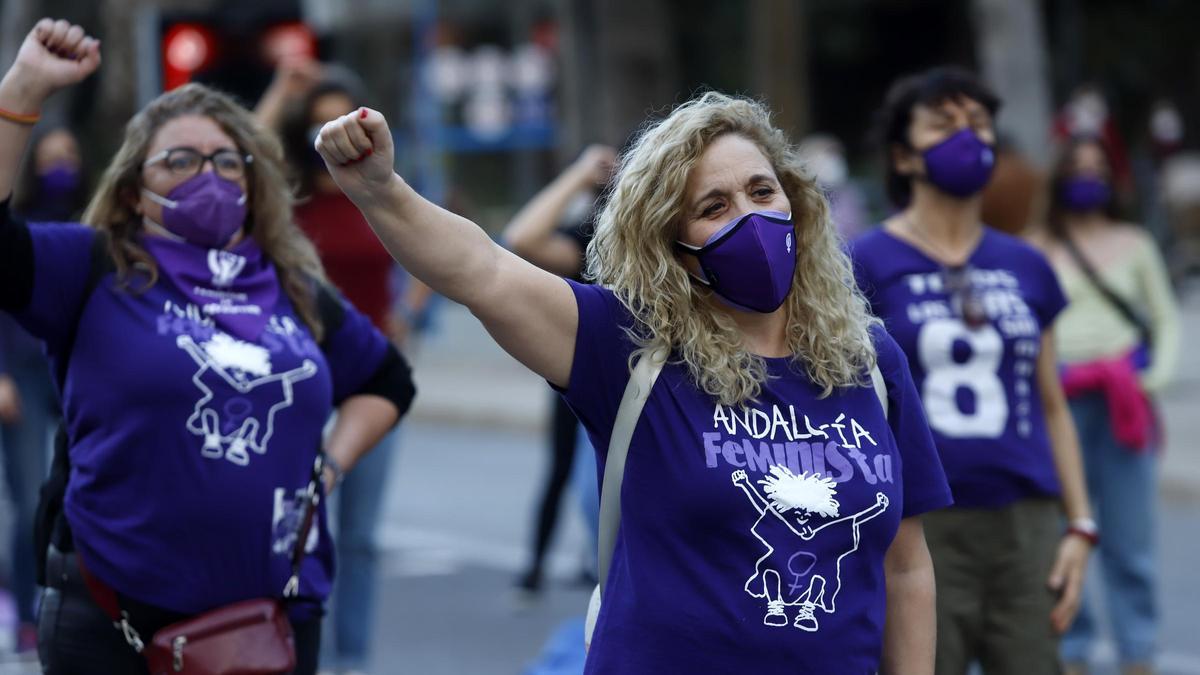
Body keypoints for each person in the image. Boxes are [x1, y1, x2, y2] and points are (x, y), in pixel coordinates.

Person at [316, 89, 954, 673]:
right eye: (714, 207)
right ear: (674, 246)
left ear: (796, 202)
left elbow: (905, 567)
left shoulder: (867, 359)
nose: (752, 220)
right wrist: (380, 190)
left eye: (763, 192)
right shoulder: (626, 346)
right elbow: (482, 270)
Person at [0, 19, 414, 674]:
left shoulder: (292, 286)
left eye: (228, 161)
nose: (210, 175)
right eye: (182, 160)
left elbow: (387, 379)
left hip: (273, 621)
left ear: (253, 186)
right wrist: (20, 95)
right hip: (116, 622)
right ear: (136, 189)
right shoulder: (94, 266)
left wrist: (329, 467)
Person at [850, 66, 1094, 675]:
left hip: (1025, 521)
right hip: (921, 525)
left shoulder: (1027, 265)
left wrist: (1080, 525)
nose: (968, 137)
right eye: (945, 124)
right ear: (904, 157)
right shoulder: (863, 264)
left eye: (979, 124)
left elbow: (1053, 404)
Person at [259, 59, 415, 675]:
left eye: (344, 120)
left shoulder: (381, 189)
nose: (334, 133)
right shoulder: (286, 194)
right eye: (319, 122)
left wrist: (408, 309)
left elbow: (435, 245)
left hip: (367, 373)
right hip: (291, 373)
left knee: (361, 536)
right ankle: (284, 645)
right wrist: (282, 90)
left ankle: (352, 661)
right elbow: (240, 149)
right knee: (289, 519)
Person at [1031, 136, 1180, 675]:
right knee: (1062, 535)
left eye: (1097, 168)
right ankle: (1073, 649)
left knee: (1129, 538)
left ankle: (1137, 654)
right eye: (1077, 168)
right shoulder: (1035, 246)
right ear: (1059, 178)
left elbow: (1165, 318)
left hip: (1123, 402)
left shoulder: (1135, 242)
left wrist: (1151, 380)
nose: (1087, 178)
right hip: (1055, 400)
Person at [501, 143, 615, 595]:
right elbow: (522, 238)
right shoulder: (594, 238)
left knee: (608, 490)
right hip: (586, 376)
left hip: (653, 384)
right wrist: (581, 174)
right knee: (567, 473)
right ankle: (536, 567)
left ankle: (605, 572)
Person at [0, 123, 88, 655]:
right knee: (32, 493)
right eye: (50, 156)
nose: (60, 166)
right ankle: (32, 613)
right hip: (24, 371)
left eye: (69, 155)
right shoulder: (17, 230)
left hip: (81, 368)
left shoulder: (92, 226)